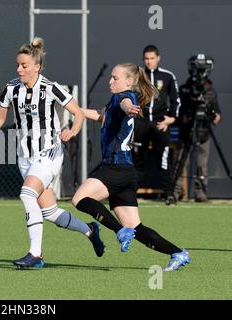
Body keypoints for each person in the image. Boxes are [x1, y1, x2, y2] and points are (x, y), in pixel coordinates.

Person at [0, 38, 105, 269]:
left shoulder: (50, 88)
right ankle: (89, 230)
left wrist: (73, 129)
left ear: (37, 66)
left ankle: (35, 255)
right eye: (18, 65)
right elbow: (0, 117)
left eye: (24, 65)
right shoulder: (11, 88)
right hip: (25, 157)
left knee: (27, 194)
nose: (19, 69)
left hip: (49, 152)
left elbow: (78, 113)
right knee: (49, 212)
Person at [72, 62, 190, 271]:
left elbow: (126, 103)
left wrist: (129, 107)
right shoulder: (116, 102)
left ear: (129, 81)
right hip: (127, 172)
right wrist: (72, 108)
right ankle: (177, 253)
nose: (110, 81)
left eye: (115, 78)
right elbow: (100, 114)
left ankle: (118, 231)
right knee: (136, 227)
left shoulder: (123, 97)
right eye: (111, 77)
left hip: (114, 168)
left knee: (79, 199)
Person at [133, 45, 181, 205]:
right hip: (141, 123)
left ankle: (169, 195)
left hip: (161, 123)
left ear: (158, 58)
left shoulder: (167, 76)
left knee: (164, 159)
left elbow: (176, 101)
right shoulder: (137, 76)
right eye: (146, 58)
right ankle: (132, 195)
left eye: (152, 58)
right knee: (138, 159)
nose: (149, 61)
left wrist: (171, 119)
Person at [173, 60, 221, 202]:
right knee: (180, 163)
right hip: (185, 132)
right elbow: (178, 111)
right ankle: (176, 191)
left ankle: (201, 192)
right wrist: (184, 117)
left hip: (203, 132)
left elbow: (217, 113)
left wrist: (216, 116)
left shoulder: (211, 92)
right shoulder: (184, 90)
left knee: (202, 164)